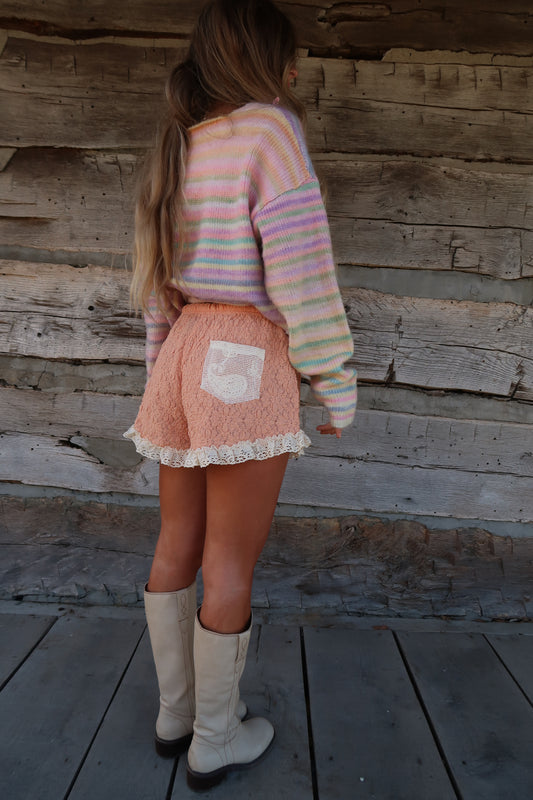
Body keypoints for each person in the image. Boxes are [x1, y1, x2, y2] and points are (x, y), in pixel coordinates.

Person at [123, 0, 357, 790]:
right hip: (244, 356)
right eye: (291, 59)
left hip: (183, 350)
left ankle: (176, 715)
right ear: (267, 62)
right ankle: (215, 739)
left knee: (175, 543)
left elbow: (157, 288)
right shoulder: (270, 131)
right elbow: (301, 275)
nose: (295, 74)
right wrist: (334, 382)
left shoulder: (182, 140)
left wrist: (159, 377)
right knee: (227, 562)